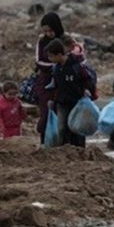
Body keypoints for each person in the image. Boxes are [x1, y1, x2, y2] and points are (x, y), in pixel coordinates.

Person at [46, 38, 94, 147]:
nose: (49, 59)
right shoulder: (56, 68)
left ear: (59, 54)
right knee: (62, 128)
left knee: (78, 128)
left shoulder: (76, 66)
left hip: (77, 102)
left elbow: (88, 79)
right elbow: (55, 86)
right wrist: (52, 100)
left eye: (51, 56)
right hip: (62, 103)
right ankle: (64, 150)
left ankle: (79, 150)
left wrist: (86, 90)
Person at [33, 12, 65, 144]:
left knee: (62, 112)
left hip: (63, 82)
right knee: (46, 112)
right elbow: (38, 61)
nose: (48, 34)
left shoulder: (65, 39)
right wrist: (54, 65)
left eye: (50, 31)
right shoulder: (41, 41)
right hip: (45, 82)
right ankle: (45, 141)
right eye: (45, 31)